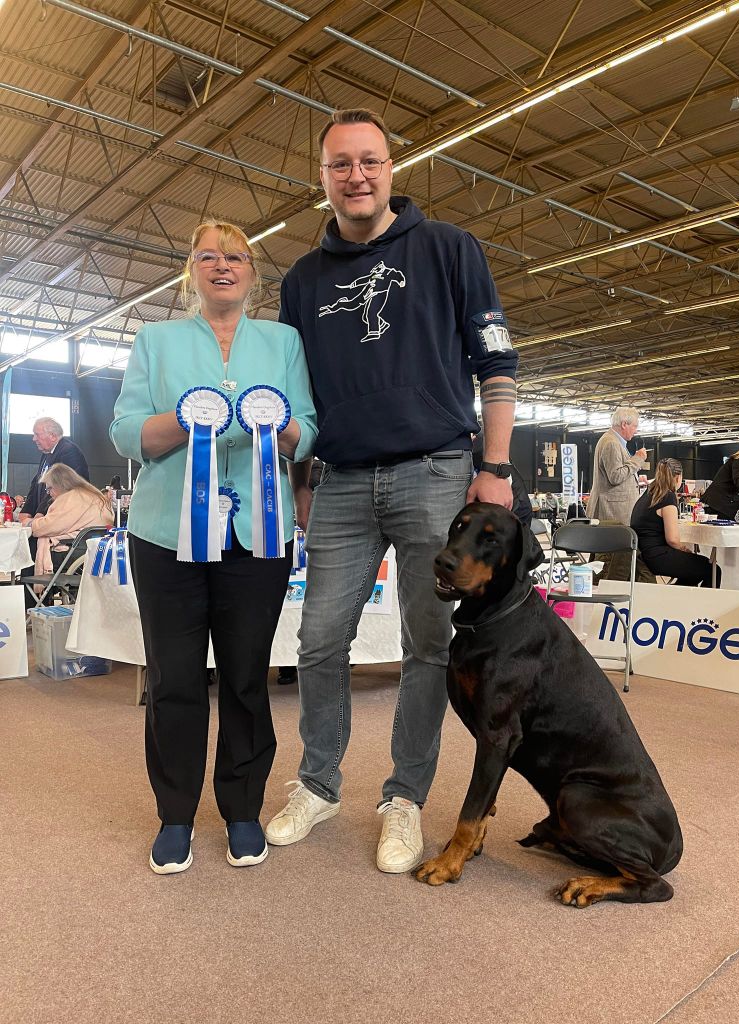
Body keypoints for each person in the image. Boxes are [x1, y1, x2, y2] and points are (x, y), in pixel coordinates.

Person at [268, 107, 518, 874]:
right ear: (323, 178)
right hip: (339, 481)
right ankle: (318, 783)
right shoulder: (302, 281)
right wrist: (301, 482)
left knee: (428, 645)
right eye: (340, 164)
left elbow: (498, 365)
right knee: (318, 640)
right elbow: (296, 397)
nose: (356, 175)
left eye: (369, 160)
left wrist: (496, 469)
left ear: (391, 168)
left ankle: (403, 797)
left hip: (436, 472)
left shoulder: (449, 249)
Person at [110, 220, 317, 875]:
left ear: (252, 273)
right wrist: (189, 419)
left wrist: (275, 424)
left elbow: (307, 429)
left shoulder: (283, 341)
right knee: (172, 679)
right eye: (208, 256)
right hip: (164, 533)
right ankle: (174, 815)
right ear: (190, 271)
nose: (221, 266)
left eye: (235, 257)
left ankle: (242, 809)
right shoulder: (155, 339)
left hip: (257, 536)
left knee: (247, 678)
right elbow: (123, 432)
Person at [631, 458, 720, 587]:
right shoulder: (667, 497)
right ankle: (707, 606)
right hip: (657, 556)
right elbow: (672, 539)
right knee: (712, 570)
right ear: (678, 477)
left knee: (692, 573)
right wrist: (683, 549)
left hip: (643, 553)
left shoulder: (648, 494)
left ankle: (676, 601)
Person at [29, 464, 114, 575]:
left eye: (49, 488)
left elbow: (47, 526)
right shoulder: (93, 495)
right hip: (97, 550)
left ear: (60, 484)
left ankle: (31, 591)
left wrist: (30, 523)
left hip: (76, 551)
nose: (48, 493)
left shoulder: (72, 497)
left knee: (31, 548)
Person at [19, 418, 89, 522]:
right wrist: (26, 510)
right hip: (46, 517)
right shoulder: (47, 453)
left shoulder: (69, 452)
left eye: (37, 434)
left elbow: (61, 487)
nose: (34, 439)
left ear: (52, 436)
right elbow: (37, 483)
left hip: (63, 519)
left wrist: (41, 512)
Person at [586, 407, 647, 525]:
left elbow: (613, 474)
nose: (636, 431)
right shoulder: (611, 443)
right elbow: (615, 476)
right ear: (624, 424)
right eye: (635, 426)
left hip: (613, 511)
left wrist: (636, 479)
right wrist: (638, 459)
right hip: (612, 512)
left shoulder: (612, 440)